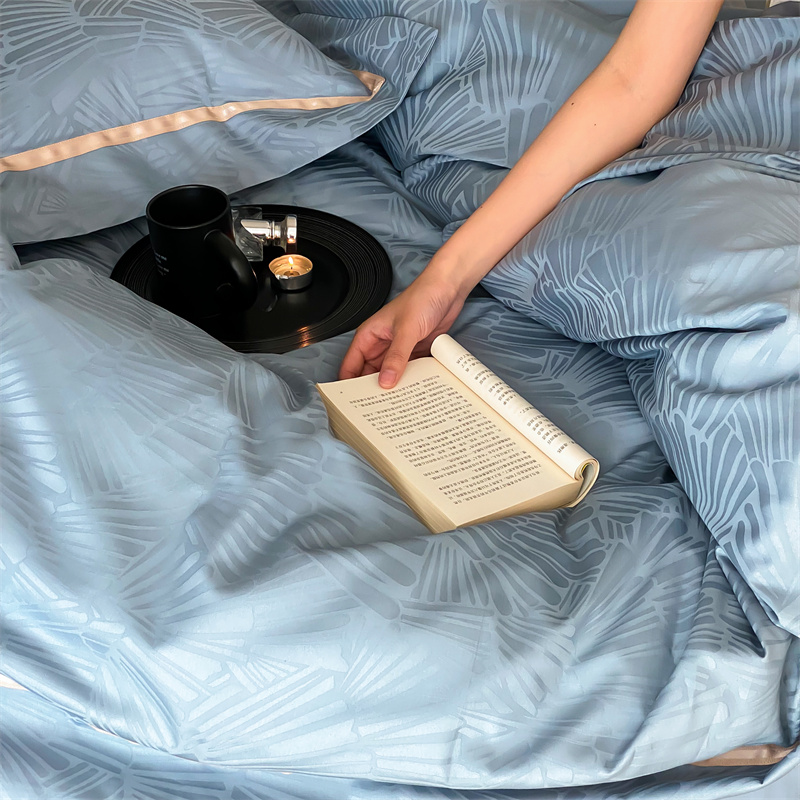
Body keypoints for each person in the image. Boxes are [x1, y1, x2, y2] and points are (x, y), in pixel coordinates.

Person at [339, 0, 725, 388]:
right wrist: (445, 280)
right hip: (482, 50)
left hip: (701, 97)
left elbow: (635, 82)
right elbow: (632, 83)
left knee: (703, 282)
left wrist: (447, 279)